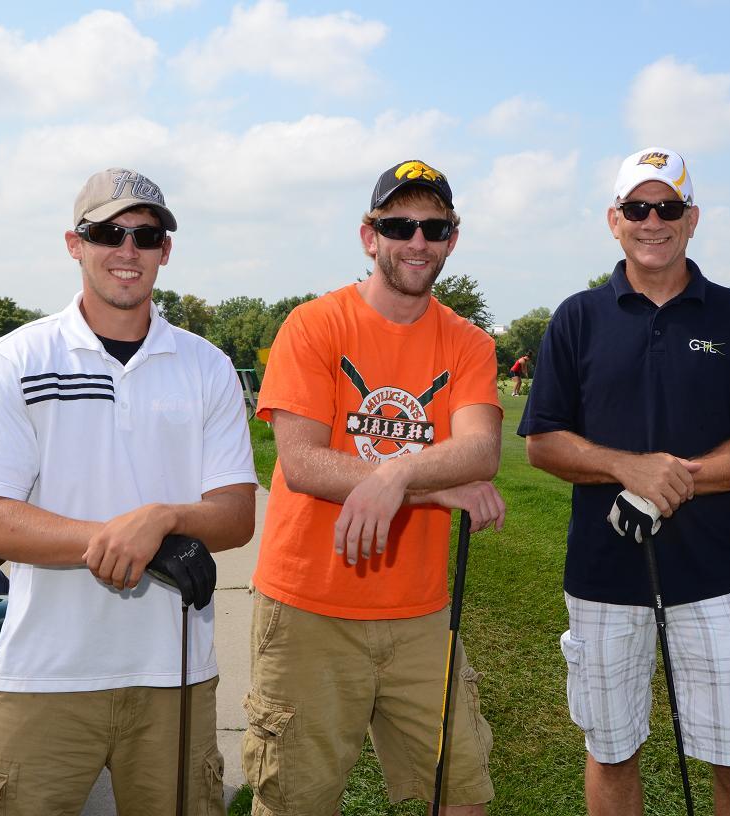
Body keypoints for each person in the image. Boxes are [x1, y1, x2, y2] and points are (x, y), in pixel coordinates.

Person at [0, 167, 258, 815]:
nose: (127, 249)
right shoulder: (19, 358)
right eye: (107, 232)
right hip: (44, 672)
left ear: (165, 251)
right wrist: (117, 538)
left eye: (145, 236)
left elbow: (234, 515)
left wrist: (161, 516)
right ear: (75, 243)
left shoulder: (206, 366)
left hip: (175, 675)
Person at [518, 147, 730, 816]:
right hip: (604, 580)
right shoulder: (578, 317)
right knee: (612, 753)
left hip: (712, 578)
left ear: (692, 218)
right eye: (638, 208)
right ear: (615, 220)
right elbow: (542, 442)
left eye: (668, 207)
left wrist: (672, 480)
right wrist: (626, 468)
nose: (652, 221)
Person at [244, 159, 505, 816]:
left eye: (433, 227)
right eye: (399, 224)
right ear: (370, 235)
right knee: (294, 801)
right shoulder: (313, 325)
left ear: (451, 238)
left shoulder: (468, 342)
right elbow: (302, 463)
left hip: (419, 614)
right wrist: (434, 487)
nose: (417, 241)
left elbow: (481, 449)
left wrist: (399, 473)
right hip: (309, 609)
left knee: (464, 790)